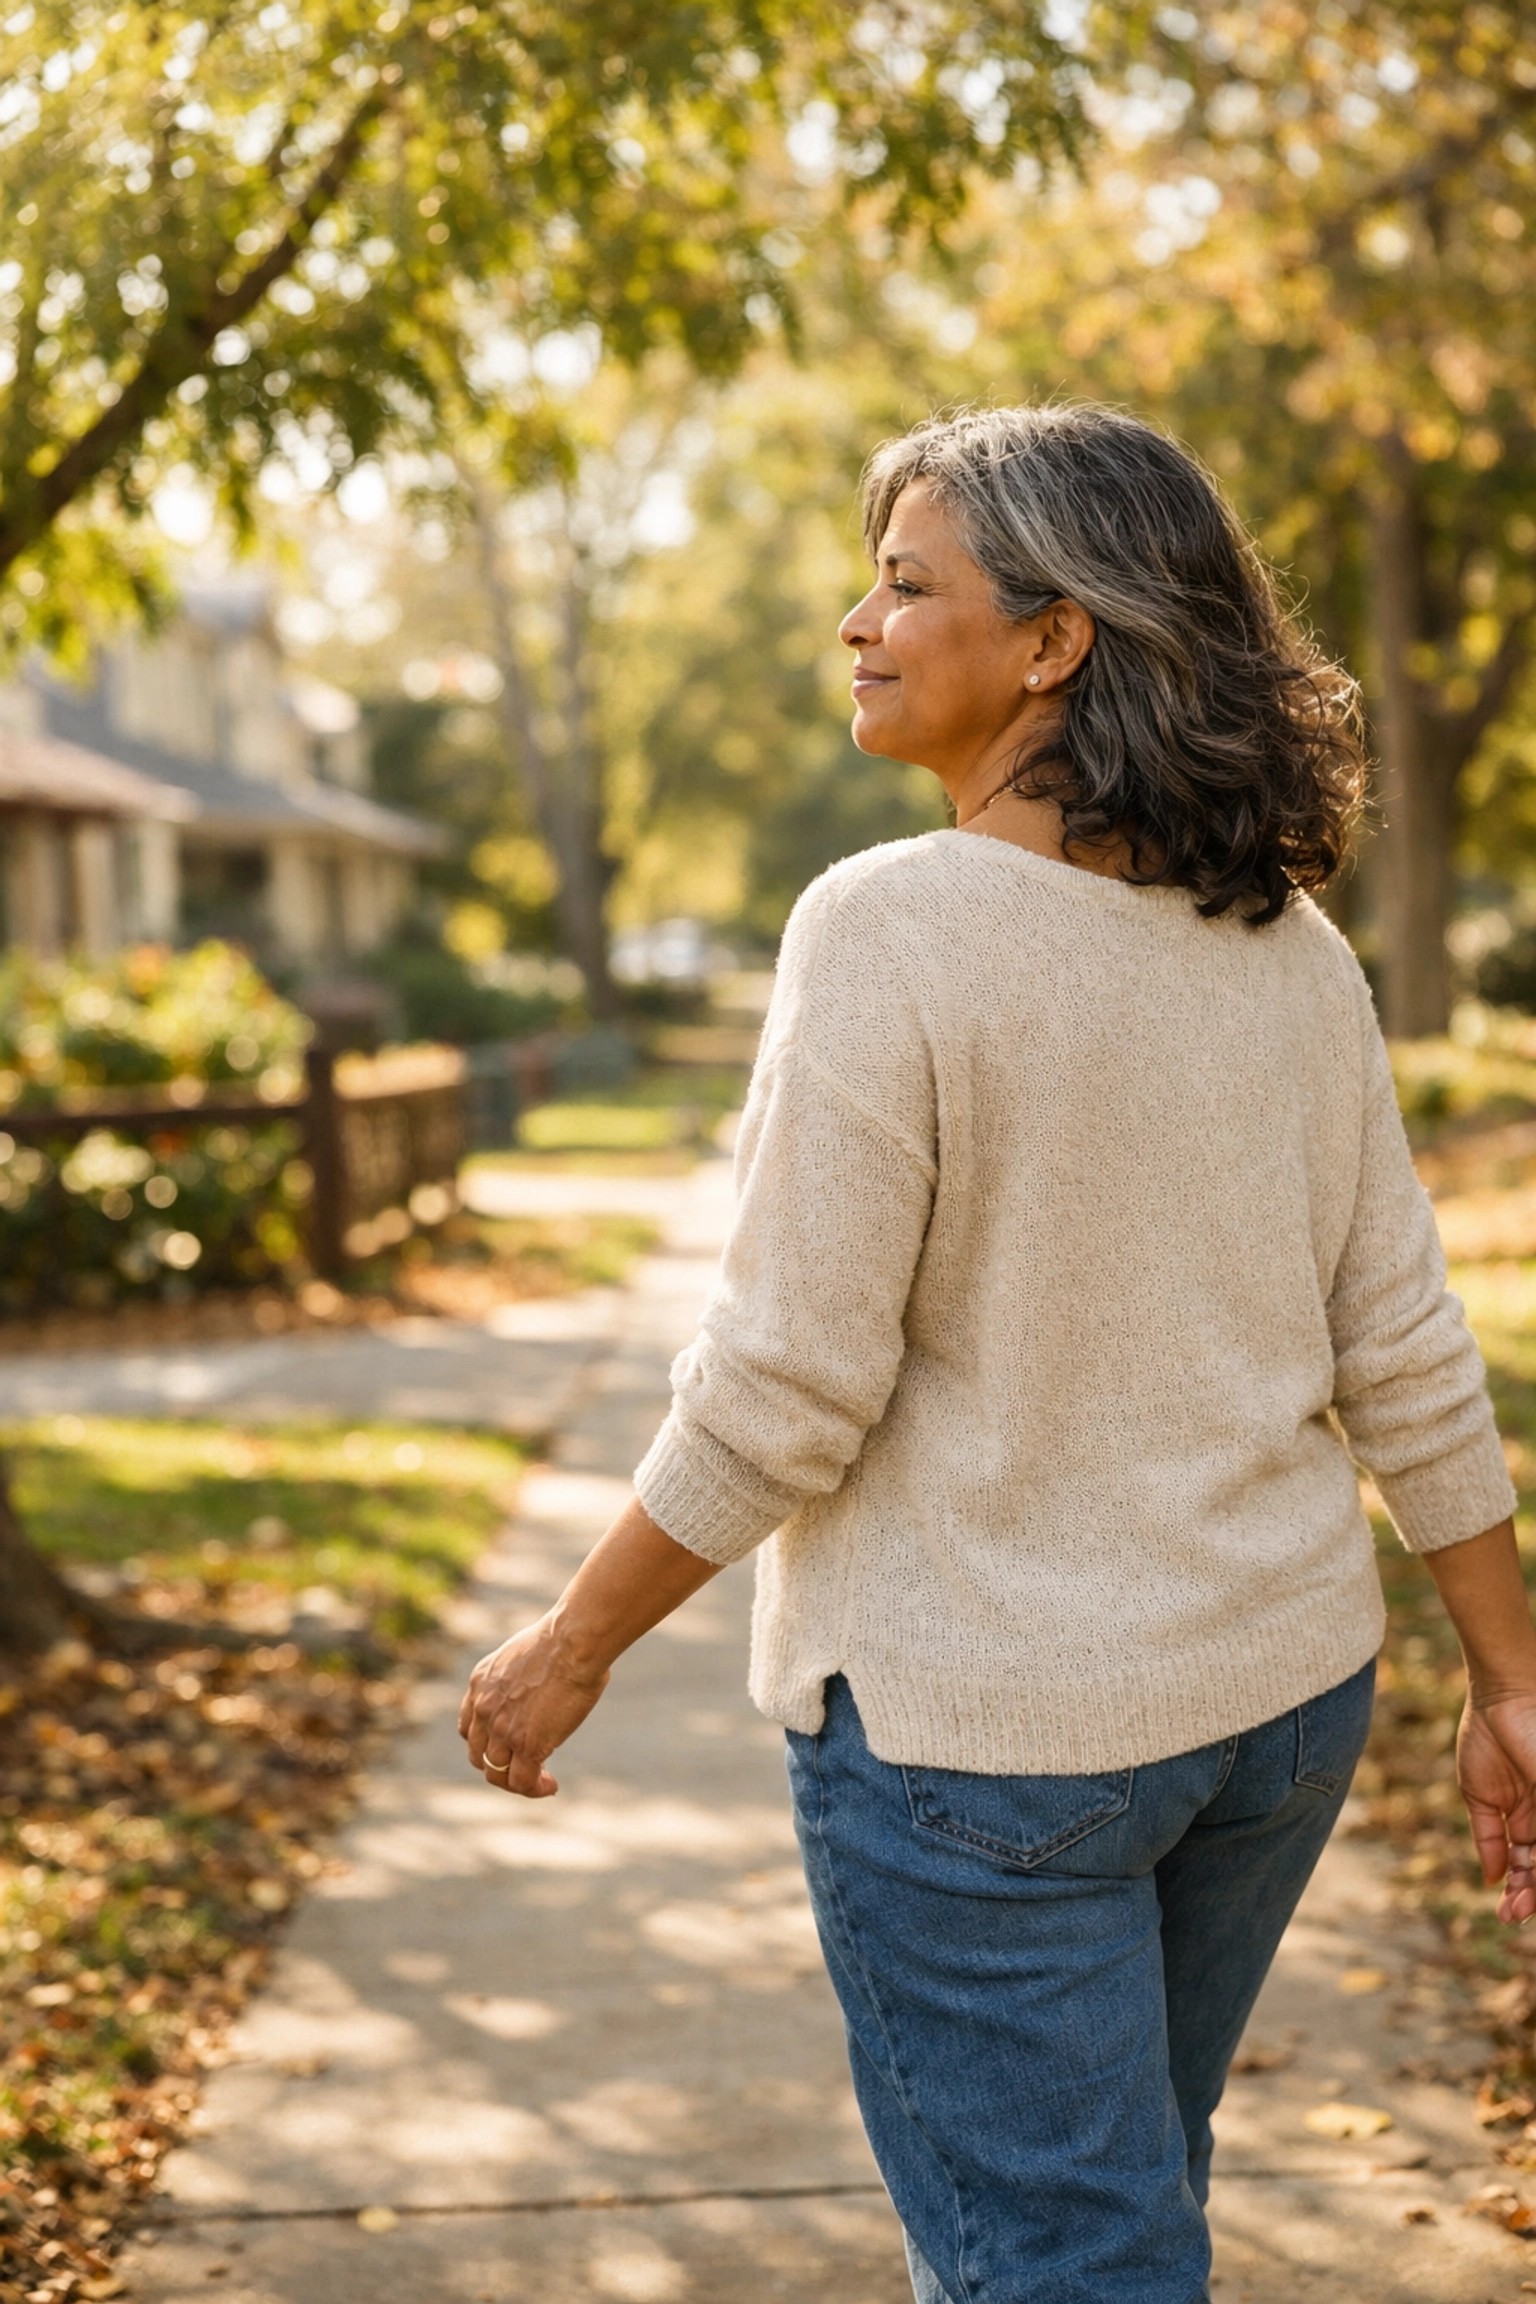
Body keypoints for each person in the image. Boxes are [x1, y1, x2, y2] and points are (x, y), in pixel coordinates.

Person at [458, 403, 1536, 2304]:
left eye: (905, 583)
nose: (856, 625)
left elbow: (788, 1382)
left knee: (1066, 2258)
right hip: (1277, 1718)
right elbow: (1410, 1348)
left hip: (988, 1753)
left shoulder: (888, 925)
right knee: (1123, 2210)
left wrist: (571, 1647)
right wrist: (1513, 1675)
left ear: (1053, 642)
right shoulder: (1289, 951)